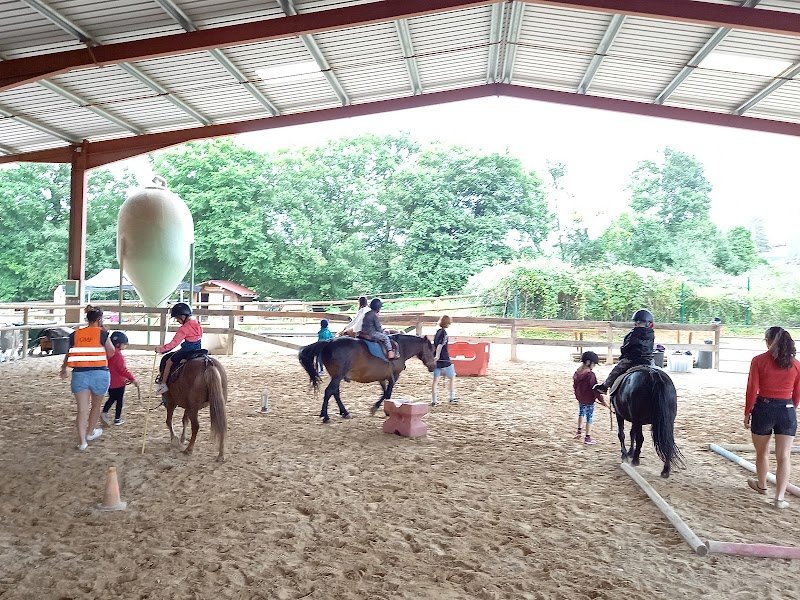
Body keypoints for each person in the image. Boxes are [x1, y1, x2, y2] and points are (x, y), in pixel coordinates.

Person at [744, 326, 800, 509]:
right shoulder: (796, 364)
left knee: (763, 452)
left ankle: (762, 485)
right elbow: (797, 394)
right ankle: (779, 498)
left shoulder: (759, 361)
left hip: (764, 409)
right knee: (784, 456)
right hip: (787, 410)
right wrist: (790, 409)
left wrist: (748, 412)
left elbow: (752, 389)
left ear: (768, 341)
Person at [59, 305, 115, 451]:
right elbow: (111, 352)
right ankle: (90, 432)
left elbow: (69, 353)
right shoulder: (102, 334)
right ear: (99, 319)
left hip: (79, 374)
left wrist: (63, 368)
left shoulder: (75, 334)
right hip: (100, 374)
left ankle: (82, 441)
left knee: (82, 410)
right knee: (96, 405)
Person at [593, 309, 655, 394]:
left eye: (639, 322)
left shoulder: (633, 333)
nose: (637, 324)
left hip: (632, 359)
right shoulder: (651, 333)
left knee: (617, 370)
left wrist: (623, 353)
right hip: (648, 360)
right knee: (657, 370)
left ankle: (604, 386)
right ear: (648, 323)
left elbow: (626, 347)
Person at [154, 302, 203, 395]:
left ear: (183, 316)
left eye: (177, 318)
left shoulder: (183, 328)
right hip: (198, 349)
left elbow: (174, 343)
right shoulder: (197, 322)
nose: (177, 320)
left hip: (187, 350)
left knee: (168, 362)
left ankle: (163, 385)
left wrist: (161, 349)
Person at [101, 331, 138, 426]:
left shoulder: (108, 353)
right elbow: (122, 370)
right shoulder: (118, 355)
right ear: (118, 344)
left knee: (112, 398)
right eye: (124, 344)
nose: (125, 346)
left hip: (109, 381)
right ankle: (117, 418)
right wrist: (132, 378)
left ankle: (104, 412)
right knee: (119, 401)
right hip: (119, 383)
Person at [573, 351, 608, 445]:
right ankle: (587, 437)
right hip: (589, 400)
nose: (594, 366)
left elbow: (575, 386)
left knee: (581, 413)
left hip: (580, 398)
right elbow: (595, 389)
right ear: (589, 362)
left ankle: (579, 431)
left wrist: (578, 395)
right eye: (594, 364)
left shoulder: (577, 372)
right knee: (589, 417)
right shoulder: (590, 375)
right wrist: (602, 400)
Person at [431, 315, 458, 406]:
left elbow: (435, 344)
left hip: (436, 359)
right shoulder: (444, 333)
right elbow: (440, 345)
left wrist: (435, 356)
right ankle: (452, 397)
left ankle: (434, 400)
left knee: (435, 380)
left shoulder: (437, 332)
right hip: (444, 359)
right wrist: (438, 355)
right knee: (452, 377)